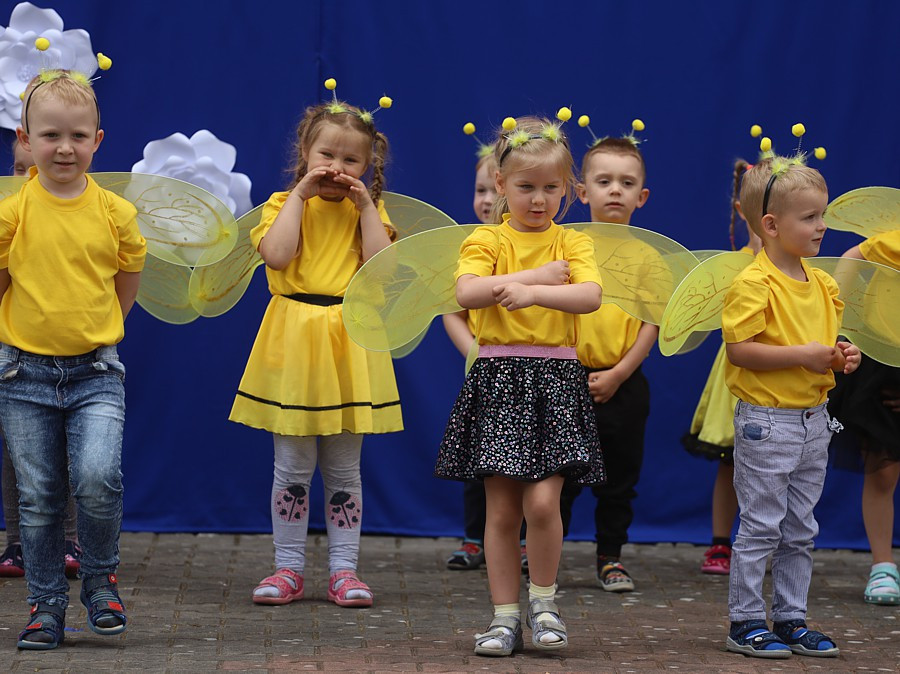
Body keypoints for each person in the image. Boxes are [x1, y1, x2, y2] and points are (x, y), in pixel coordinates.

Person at [435, 115, 604, 656]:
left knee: (543, 504)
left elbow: (591, 296)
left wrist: (534, 295)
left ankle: (545, 602)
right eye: (526, 188)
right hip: (500, 380)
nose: (538, 200)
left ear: (569, 191)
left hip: (554, 379)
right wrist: (532, 279)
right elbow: (466, 292)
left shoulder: (573, 241)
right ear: (501, 186)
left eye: (551, 188)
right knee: (502, 512)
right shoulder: (485, 238)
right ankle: (504, 617)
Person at [230, 89, 402, 609]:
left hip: (348, 341)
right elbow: (278, 257)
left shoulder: (367, 211)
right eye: (326, 155)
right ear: (306, 155)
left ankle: (345, 572)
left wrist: (367, 204)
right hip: (296, 343)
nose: (337, 166)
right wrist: (300, 196)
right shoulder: (284, 205)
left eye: (351, 159)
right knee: (292, 467)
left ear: (368, 165)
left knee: (345, 469)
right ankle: (288, 569)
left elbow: (383, 270)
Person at [0, 70, 146, 650]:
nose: (65, 148)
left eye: (78, 136)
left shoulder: (114, 212)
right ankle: (45, 607)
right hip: (22, 374)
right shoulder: (14, 211)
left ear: (98, 141)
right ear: (26, 138)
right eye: (51, 135)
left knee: (97, 479)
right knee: (37, 499)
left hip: (95, 372)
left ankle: (100, 581)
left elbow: (129, 272)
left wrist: (107, 328)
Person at [722, 153, 859, 659]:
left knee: (801, 528)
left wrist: (843, 352)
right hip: (766, 423)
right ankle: (745, 621)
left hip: (813, 421)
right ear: (772, 225)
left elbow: (825, 339)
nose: (821, 226)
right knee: (761, 525)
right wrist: (804, 355)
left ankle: (791, 618)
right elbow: (740, 351)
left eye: (822, 215)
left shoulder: (821, 283)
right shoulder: (754, 283)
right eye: (810, 217)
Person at [558, 135, 654, 592]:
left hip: (624, 380)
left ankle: (610, 558)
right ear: (582, 192)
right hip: (565, 378)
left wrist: (619, 373)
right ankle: (543, 555)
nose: (615, 190)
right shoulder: (566, 245)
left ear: (642, 196)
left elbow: (651, 325)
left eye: (626, 182)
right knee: (557, 477)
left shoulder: (648, 256)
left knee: (618, 480)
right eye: (604, 181)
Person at [0, 138, 82, 580]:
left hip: (64, 352)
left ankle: (69, 539)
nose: (24, 179)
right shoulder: (9, 216)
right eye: (16, 168)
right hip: (13, 350)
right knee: (18, 452)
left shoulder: (68, 213)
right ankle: (18, 542)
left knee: (66, 448)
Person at [681, 159, 762, 576]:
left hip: (785, 378)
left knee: (777, 467)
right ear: (742, 208)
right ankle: (720, 544)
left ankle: (768, 543)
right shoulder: (733, 267)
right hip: (738, 373)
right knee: (730, 460)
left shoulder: (806, 269)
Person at [829, 229, 900, 605]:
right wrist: (833, 312)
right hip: (884, 362)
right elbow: (854, 254)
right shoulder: (895, 239)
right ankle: (883, 565)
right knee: (884, 467)